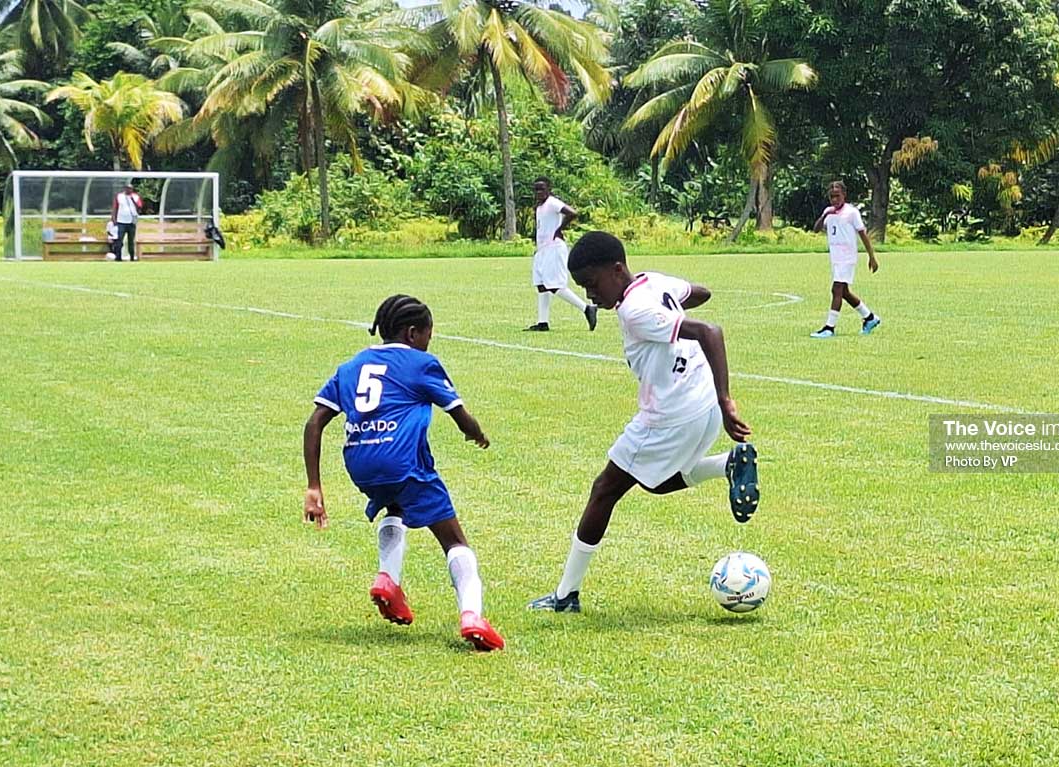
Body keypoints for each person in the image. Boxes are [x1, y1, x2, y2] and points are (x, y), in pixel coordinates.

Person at [527, 231, 759, 613]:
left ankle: (566, 595)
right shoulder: (651, 282)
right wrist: (671, 311)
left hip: (670, 415)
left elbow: (708, 330)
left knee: (605, 489)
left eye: (592, 284)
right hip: (699, 405)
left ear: (617, 270)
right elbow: (699, 292)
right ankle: (726, 465)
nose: (590, 295)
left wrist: (727, 399)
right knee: (658, 482)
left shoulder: (633, 310)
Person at [302, 294, 504, 651]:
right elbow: (459, 415)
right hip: (402, 462)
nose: (429, 342)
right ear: (412, 333)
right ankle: (472, 615)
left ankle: (388, 580)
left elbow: (316, 421)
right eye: (428, 334)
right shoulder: (420, 363)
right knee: (454, 541)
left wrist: (314, 486)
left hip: (360, 463)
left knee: (395, 506)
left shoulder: (351, 366)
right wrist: (477, 434)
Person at [525, 177, 598, 333]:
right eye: (536, 189)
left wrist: (559, 229)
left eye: (542, 189)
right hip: (542, 250)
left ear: (549, 189)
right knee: (541, 285)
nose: (539, 192)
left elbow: (572, 213)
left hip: (554, 248)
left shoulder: (552, 202)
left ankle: (587, 308)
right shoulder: (539, 207)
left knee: (554, 285)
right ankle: (542, 322)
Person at [810, 181, 880, 338]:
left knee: (836, 290)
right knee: (844, 292)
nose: (834, 200)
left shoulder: (851, 213)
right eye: (831, 196)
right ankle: (870, 317)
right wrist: (825, 215)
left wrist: (871, 257)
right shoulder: (829, 212)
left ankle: (829, 327)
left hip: (847, 258)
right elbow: (816, 229)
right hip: (836, 258)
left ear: (844, 195)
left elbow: (863, 235)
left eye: (837, 196)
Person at [110, 182, 143, 262]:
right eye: (127, 188)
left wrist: (132, 200)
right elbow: (115, 208)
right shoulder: (119, 196)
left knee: (131, 240)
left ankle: (132, 257)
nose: (129, 190)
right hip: (121, 221)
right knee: (119, 240)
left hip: (132, 222)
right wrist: (113, 218)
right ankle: (118, 257)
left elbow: (139, 207)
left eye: (130, 188)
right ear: (125, 189)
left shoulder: (135, 196)